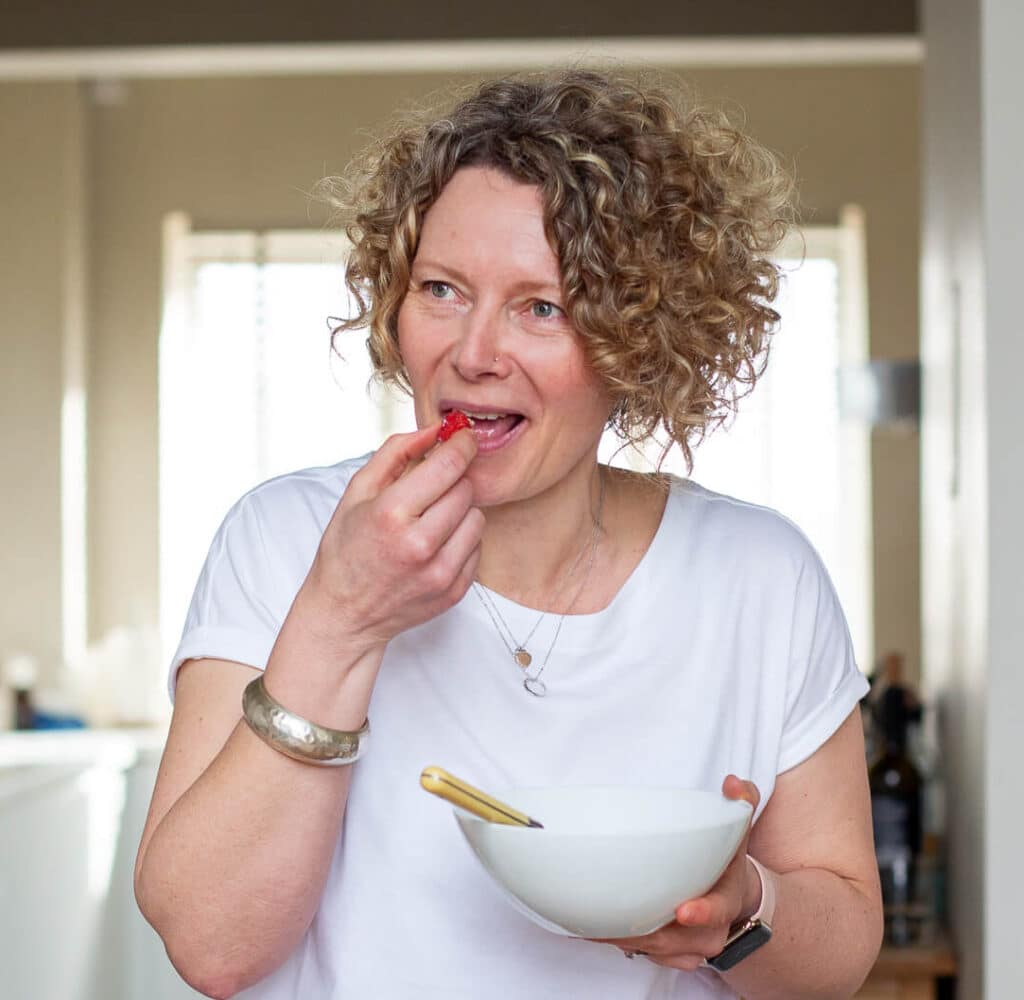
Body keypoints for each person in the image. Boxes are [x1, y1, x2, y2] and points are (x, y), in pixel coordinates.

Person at [134, 70, 882, 999]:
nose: (474, 352)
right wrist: (341, 618)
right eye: (441, 289)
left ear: (640, 342)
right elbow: (211, 947)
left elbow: (841, 950)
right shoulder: (284, 538)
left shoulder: (761, 577)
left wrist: (742, 909)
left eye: (542, 306)